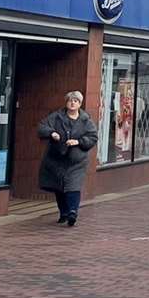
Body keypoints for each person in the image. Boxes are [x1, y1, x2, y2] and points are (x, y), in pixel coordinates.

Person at [37, 90, 98, 227]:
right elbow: (42, 127)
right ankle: (63, 213)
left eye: (75, 101)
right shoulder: (56, 117)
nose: (72, 103)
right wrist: (51, 133)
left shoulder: (85, 120)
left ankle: (72, 212)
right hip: (56, 160)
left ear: (80, 104)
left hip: (76, 161)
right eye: (70, 100)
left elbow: (93, 137)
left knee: (73, 186)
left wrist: (79, 142)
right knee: (59, 187)